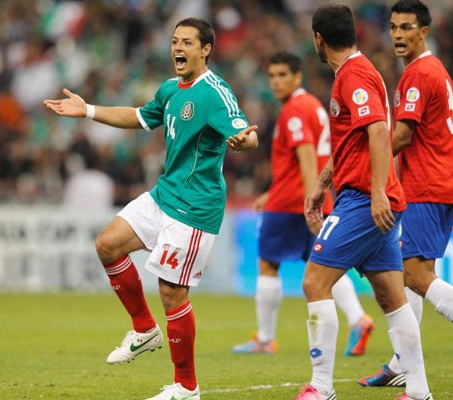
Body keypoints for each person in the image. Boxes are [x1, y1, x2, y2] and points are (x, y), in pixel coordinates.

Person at [44, 17, 258, 400]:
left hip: (195, 208)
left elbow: (244, 131)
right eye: (175, 41)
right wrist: (88, 109)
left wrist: (245, 141)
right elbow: (138, 117)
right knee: (108, 244)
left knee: (172, 293)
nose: (178, 48)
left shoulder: (215, 92)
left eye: (187, 42)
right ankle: (144, 329)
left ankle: (186, 387)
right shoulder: (170, 89)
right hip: (164, 195)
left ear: (206, 49)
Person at [292, 4, 432, 400]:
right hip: (372, 198)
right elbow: (353, 142)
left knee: (314, 281)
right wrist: (322, 183)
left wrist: (376, 193)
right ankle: (419, 391)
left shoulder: (353, 75)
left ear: (318, 39)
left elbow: (378, 132)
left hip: (365, 200)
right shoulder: (355, 71)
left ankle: (321, 387)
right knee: (392, 298)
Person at [231, 51, 374, 357]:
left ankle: (265, 339)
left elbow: (307, 157)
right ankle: (358, 318)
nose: (276, 81)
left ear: (298, 76)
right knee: (326, 265)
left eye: (283, 75)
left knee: (268, 264)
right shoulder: (313, 106)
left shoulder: (294, 110)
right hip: (307, 198)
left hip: (292, 204)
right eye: (272, 76)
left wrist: (311, 202)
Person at [358, 0, 453, 389]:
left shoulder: (419, 73)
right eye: (394, 27)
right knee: (410, 270)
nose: (398, 34)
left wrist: (364, 166)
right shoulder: (433, 70)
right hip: (436, 182)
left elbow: (401, 135)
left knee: (414, 274)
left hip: (426, 184)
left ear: (424, 32)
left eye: (407, 27)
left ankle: (404, 365)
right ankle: (402, 363)